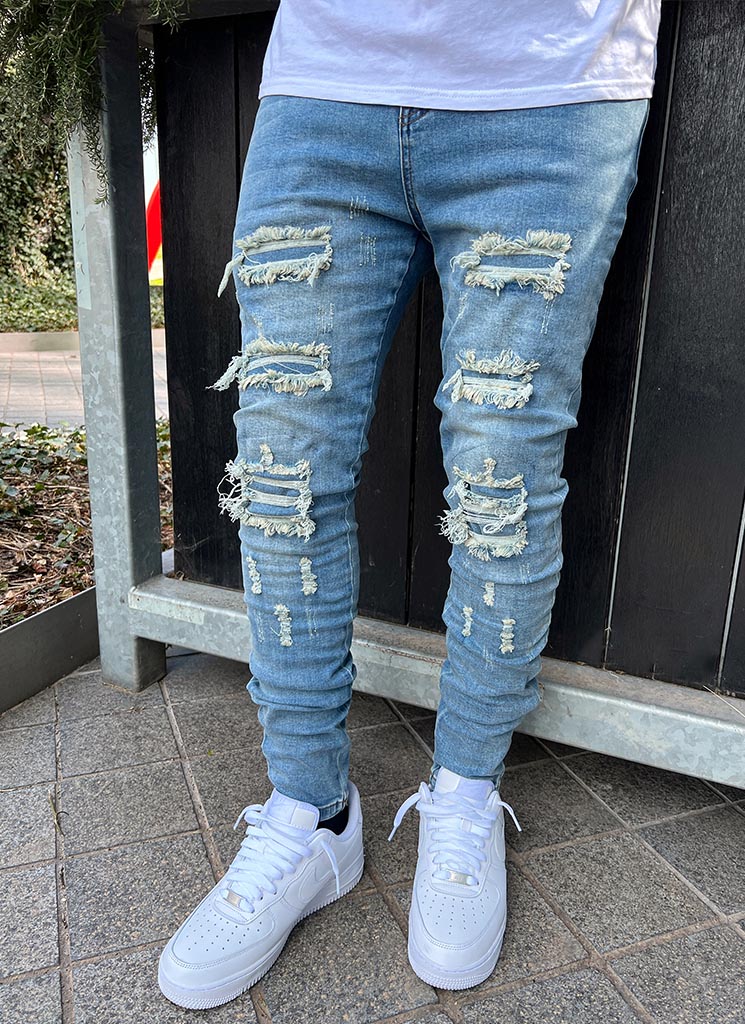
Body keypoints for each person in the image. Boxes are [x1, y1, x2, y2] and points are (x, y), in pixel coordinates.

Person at [158, 0, 661, 1009]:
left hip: (549, 87)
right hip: (325, 82)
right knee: (281, 478)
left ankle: (464, 797)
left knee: (499, 480)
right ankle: (312, 817)